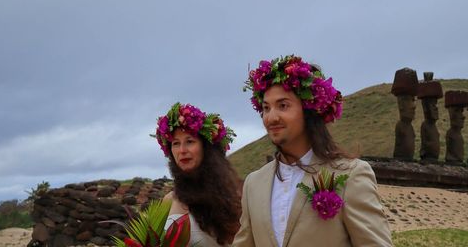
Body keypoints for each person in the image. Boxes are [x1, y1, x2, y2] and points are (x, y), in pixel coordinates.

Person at [233, 55, 392, 247]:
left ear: (308, 110)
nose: (271, 117)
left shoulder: (351, 175)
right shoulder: (253, 184)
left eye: (283, 106)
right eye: (266, 108)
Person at [155, 102, 241, 246]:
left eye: (189, 141)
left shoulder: (233, 200)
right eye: (175, 143)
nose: (182, 150)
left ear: (205, 148)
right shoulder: (167, 201)